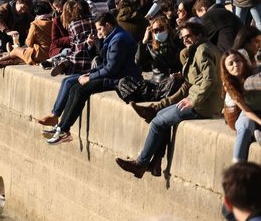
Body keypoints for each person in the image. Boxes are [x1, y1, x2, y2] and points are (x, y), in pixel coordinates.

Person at [117, 20, 224, 178]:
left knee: (156, 123)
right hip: (202, 101)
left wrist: (193, 101)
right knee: (160, 117)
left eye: (188, 36)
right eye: (183, 37)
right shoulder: (198, 49)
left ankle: (141, 163)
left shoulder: (202, 51)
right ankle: (155, 163)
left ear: (199, 35)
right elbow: (189, 84)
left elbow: (210, 80)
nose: (185, 40)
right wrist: (162, 104)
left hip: (203, 106)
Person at [37, 12, 141, 145]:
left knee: (80, 90)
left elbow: (111, 69)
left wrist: (90, 77)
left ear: (108, 25)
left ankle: (63, 130)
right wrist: (94, 49)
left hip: (119, 79)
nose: (98, 32)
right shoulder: (114, 36)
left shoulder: (118, 40)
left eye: (99, 29)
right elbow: (104, 61)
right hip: (114, 74)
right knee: (74, 86)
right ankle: (61, 128)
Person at [219, 50, 260, 163]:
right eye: (230, 64)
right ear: (225, 68)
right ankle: (237, 165)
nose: (235, 65)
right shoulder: (229, 84)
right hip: (247, 112)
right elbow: (246, 111)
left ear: (243, 61)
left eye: (238, 61)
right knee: (245, 127)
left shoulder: (254, 72)